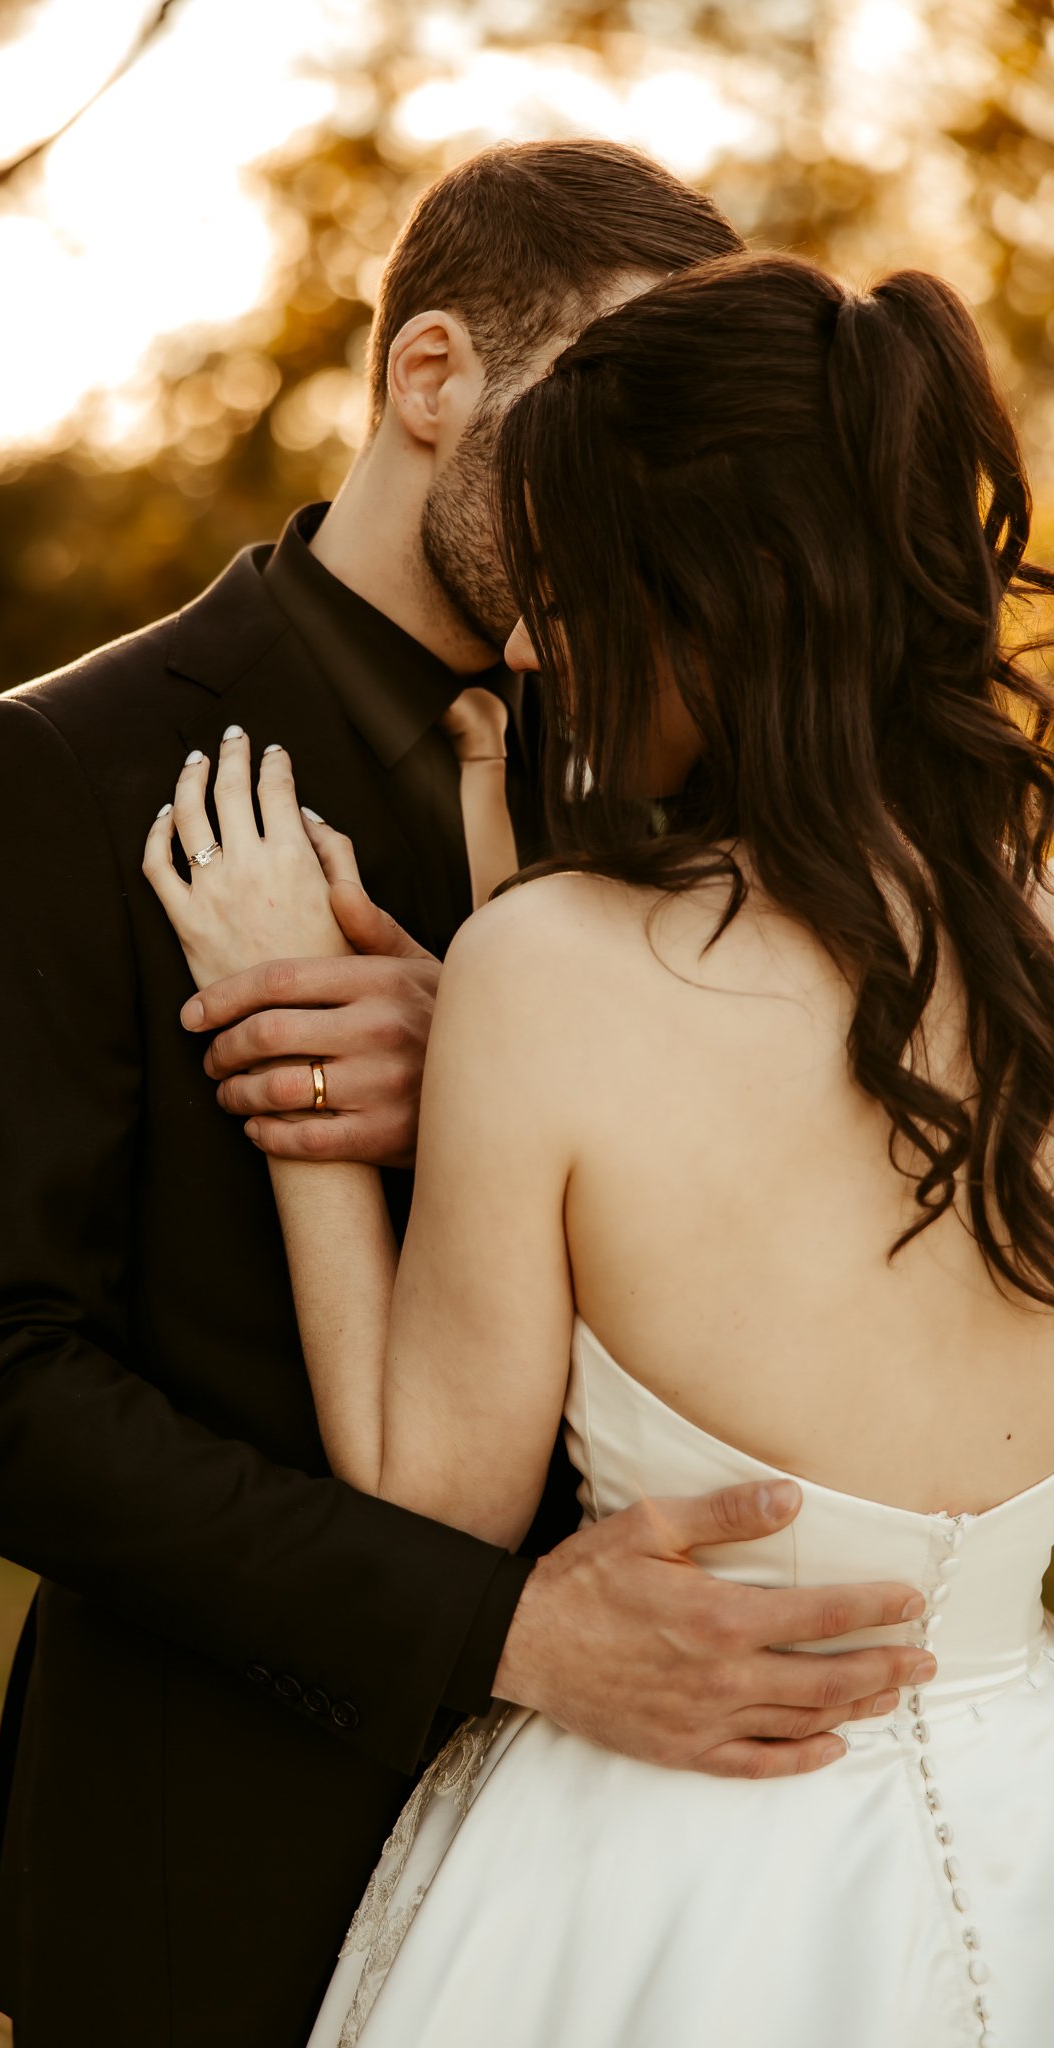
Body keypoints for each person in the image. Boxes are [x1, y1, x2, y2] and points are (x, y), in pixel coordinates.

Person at [0, 148, 928, 2047]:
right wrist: (504, 1632)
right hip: (222, 1843)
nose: (635, 477)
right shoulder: (63, 764)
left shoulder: (702, 754)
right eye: (589, 416)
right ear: (430, 373)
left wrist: (474, 1064)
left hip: (689, 1859)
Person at [143, 250, 1054, 2047]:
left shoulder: (545, 972)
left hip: (679, 1872)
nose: (541, 647)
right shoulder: (1035, 921)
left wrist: (291, 1048)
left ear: (700, 597)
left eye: (566, 593)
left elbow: (427, 1505)